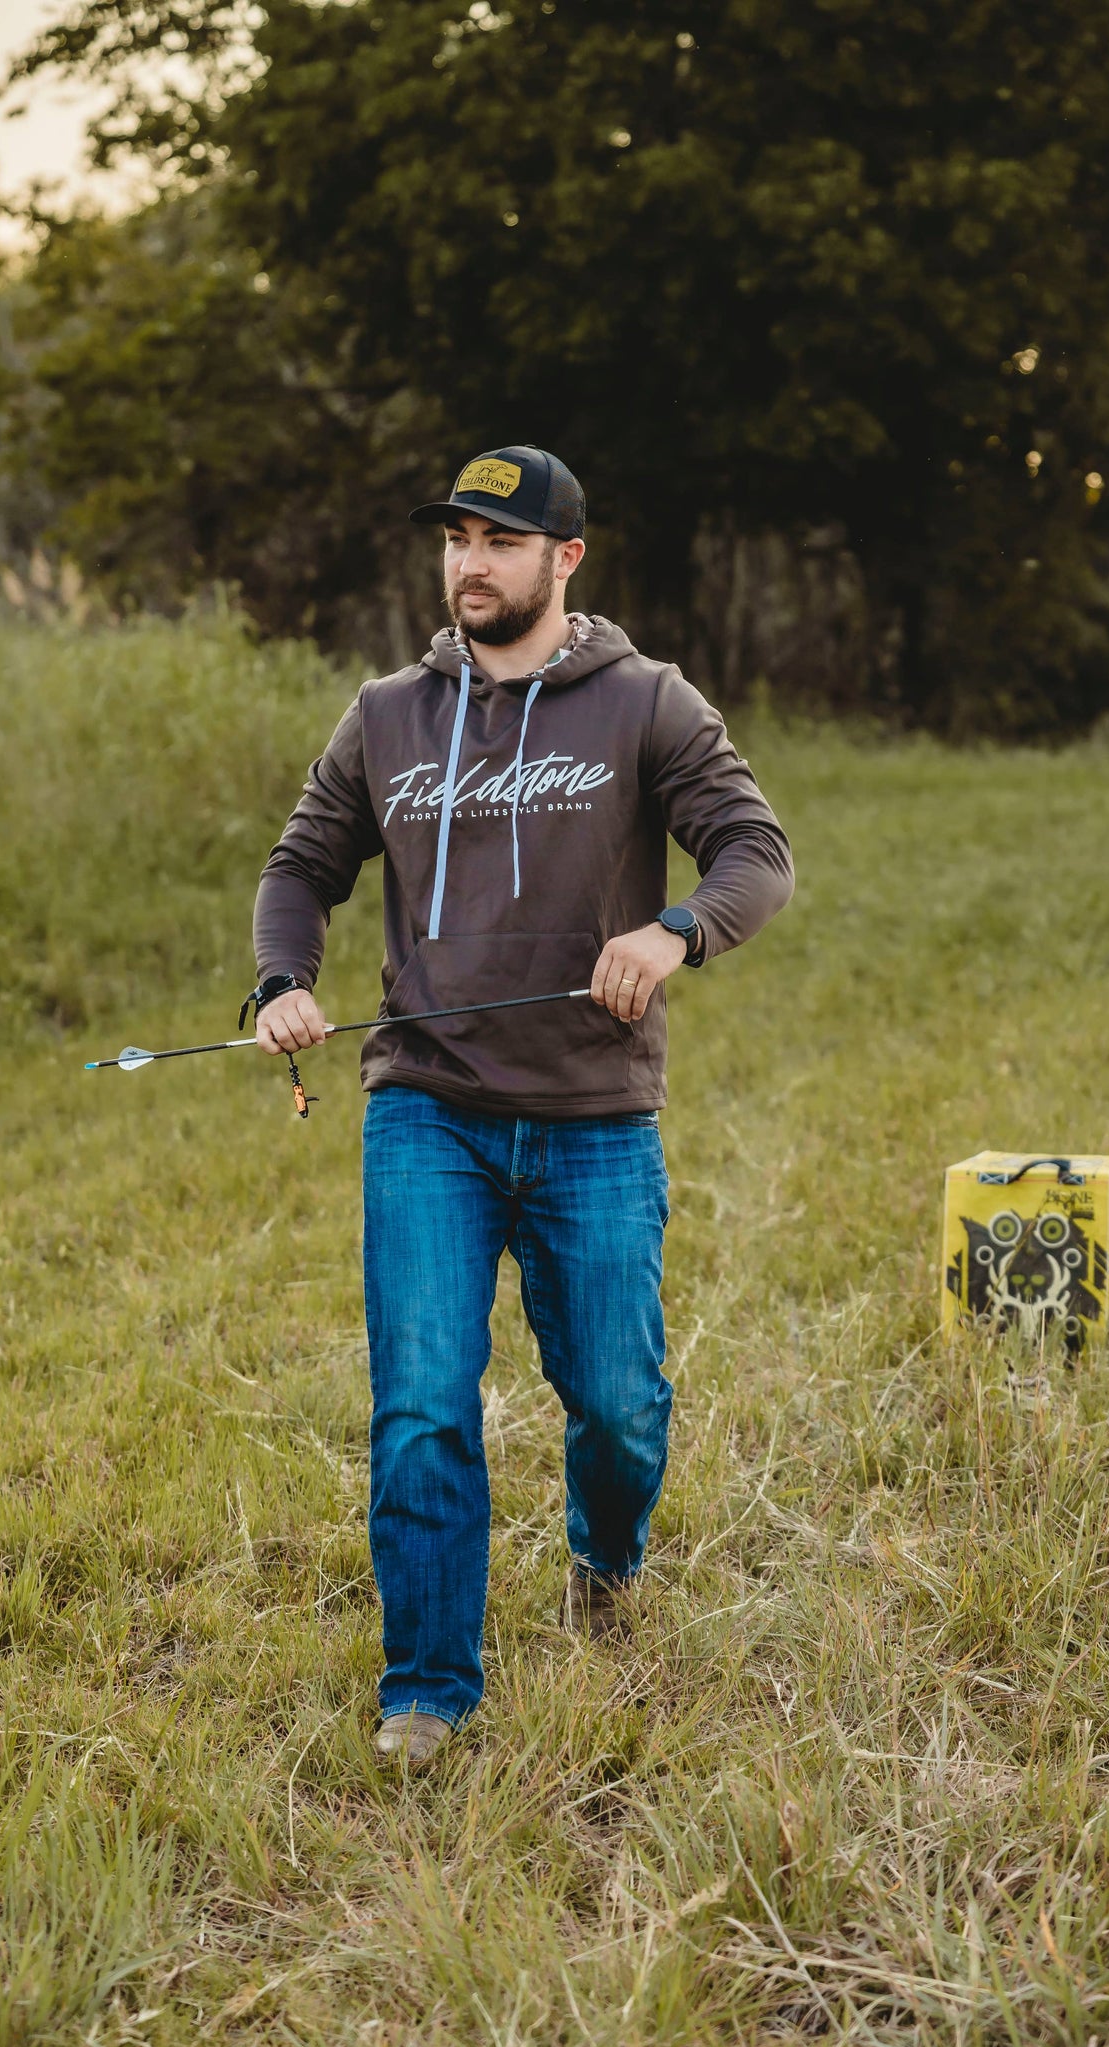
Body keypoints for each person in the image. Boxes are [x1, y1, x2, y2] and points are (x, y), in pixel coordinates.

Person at [249, 445, 794, 1764]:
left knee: (617, 1402)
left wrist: (672, 933)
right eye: (453, 539)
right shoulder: (384, 712)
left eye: (497, 541)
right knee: (424, 1403)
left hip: (596, 1115)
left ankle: (606, 1561)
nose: (468, 564)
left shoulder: (646, 705)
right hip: (425, 1109)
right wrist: (283, 981)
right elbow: (302, 866)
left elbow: (754, 855)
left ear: (564, 559)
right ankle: (428, 1688)